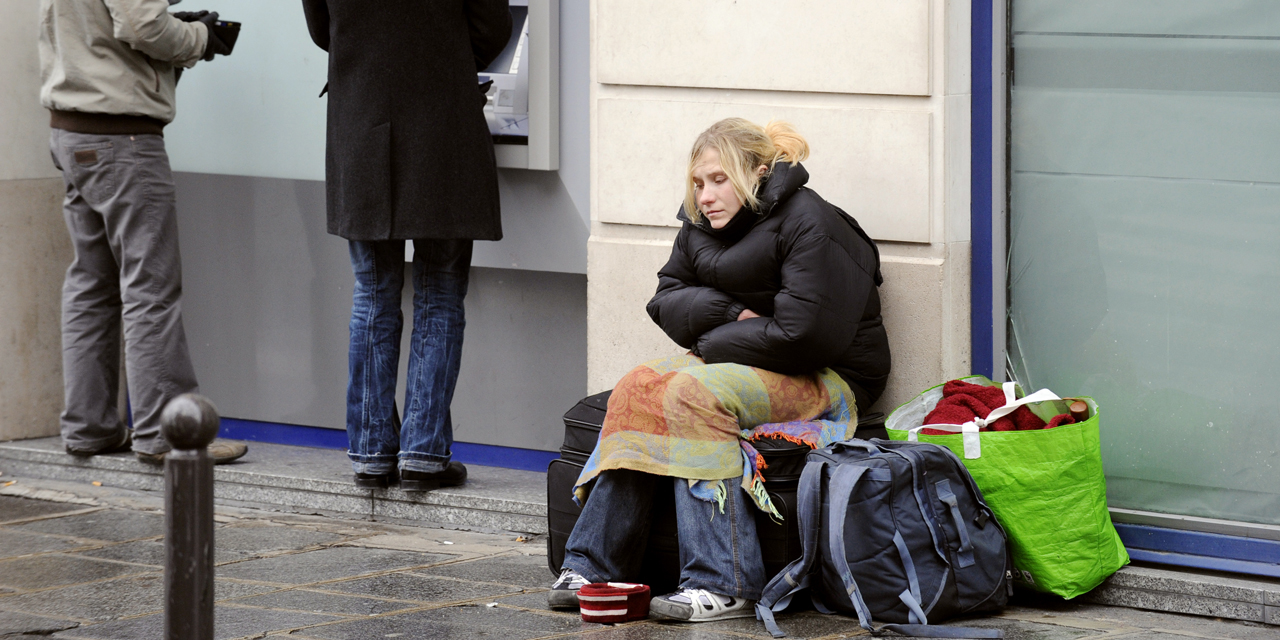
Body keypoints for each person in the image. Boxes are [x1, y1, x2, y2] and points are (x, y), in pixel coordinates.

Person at [548, 118, 891, 621]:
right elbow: (666, 297)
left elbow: (805, 336)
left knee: (690, 394)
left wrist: (711, 341)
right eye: (698, 182)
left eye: (718, 180)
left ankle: (723, 582)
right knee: (638, 385)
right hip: (744, 356)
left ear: (757, 172)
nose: (705, 196)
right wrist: (731, 317)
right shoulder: (702, 224)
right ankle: (589, 566)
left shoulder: (813, 221)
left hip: (828, 377)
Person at [300, 1, 512, 491]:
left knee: (372, 291)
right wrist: (438, 51)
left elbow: (321, 28)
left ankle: (372, 453)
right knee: (439, 290)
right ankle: (422, 454)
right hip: (442, 120)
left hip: (363, 115)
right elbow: (491, 26)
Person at [39, 0, 247, 465]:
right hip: (122, 137)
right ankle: (170, 433)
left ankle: (88, 426)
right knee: (151, 288)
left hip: (73, 129)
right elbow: (140, 22)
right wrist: (199, 39)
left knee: (90, 285)